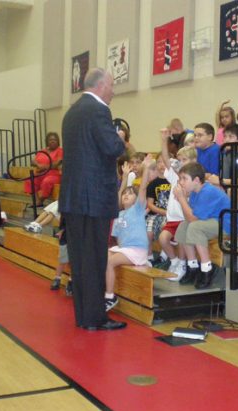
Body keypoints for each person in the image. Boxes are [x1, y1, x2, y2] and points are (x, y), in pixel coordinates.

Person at [60, 67, 126, 331]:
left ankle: (84, 316)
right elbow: (111, 148)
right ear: (100, 86)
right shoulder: (99, 110)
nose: (113, 91)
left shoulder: (71, 112)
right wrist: (119, 139)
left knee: (80, 260)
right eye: (111, 85)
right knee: (95, 259)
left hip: (74, 198)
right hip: (94, 198)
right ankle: (95, 318)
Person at [173, 162, 236, 289]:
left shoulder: (207, 191)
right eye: (180, 179)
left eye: (184, 179)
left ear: (196, 180)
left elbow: (193, 219)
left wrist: (182, 199)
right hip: (213, 220)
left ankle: (207, 268)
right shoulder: (195, 192)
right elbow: (188, 218)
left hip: (227, 224)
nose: (181, 182)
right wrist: (182, 199)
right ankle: (192, 266)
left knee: (195, 227)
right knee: (184, 226)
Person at [106, 155, 154, 312]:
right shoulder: (119, 215)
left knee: (109, 262)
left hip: (136, 250)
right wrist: (125, 177)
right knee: (101, 257)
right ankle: (103, 290)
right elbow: (119, 239)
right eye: (124, 194)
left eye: (130, 193)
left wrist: (146, 168)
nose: (126, 195)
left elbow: (143, 188)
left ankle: (110, 296)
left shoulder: (137, 210)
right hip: (124, 249)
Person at [158, 129, 198, 279]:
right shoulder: (175, 177)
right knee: (162, 239)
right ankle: (174, 261)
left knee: (181, 239)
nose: (180, 162)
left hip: (183, 220)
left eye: (184, 160)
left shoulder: (195, 180)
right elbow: (166, 159)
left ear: (193, 161)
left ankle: (181, 263)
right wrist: (164, 140)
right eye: (179, 159)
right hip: (172, 219)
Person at [24, 132, 63, 206]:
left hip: (54, 174)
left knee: (46, 182)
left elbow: (56, 164)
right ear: (47, 141)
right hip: (40, 173)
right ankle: (37, 200)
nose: (52, 141)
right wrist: (38, 165)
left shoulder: (60, 151)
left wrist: (42, 167)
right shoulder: (42, 151)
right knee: (30, 180)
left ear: (58, 141)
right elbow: (33, 162)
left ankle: (41, 200)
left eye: (55, 140)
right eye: (50, 140)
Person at [145, 154, 170, 266]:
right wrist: (163, 212)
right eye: (159, 162)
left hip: (170, 215)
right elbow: (150, 204)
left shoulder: (174, 181)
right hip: (155, 214)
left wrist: (168, 213)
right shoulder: (152, 184)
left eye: (164, 161)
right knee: (148, 232)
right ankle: (149, 256)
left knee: (166, 228)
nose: (162, 164)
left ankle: (163, 256)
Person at [50, 217, 73, 296]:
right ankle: (57, 278)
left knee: (74, 261)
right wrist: (61, 230)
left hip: (79, 237)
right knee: (62, 260)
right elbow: (63, 220)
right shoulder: (67, 211)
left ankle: (71, 282)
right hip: (66, 236)